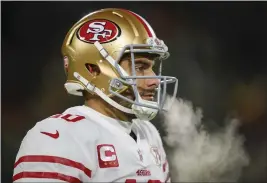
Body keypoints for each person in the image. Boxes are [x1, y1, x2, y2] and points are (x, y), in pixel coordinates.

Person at [13, 8, 178, 182]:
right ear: (93, 70)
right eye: (139, 67)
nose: (154, 80)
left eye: (151, 67)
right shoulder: (58, 136)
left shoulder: (148, 133)